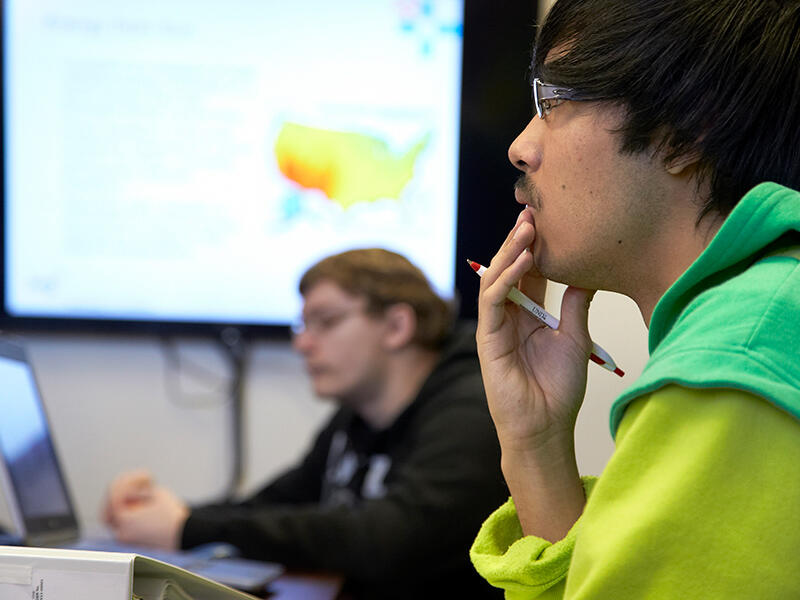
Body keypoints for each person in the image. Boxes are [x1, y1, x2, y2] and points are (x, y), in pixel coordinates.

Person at [468, 0, 800, 598]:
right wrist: (535, 443)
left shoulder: (733, 363)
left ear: (686, 131)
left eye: (553, 103)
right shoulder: (769, 309)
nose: (520, 146)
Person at [104, 248, 507, 599]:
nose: (302, 343)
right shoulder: (357, 416)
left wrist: (188, 528)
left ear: (397, 326)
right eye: (303, 325)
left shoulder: (471, 407)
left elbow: (392, 537)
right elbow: (280, 503)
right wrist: (168, 515)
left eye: (326, 321)